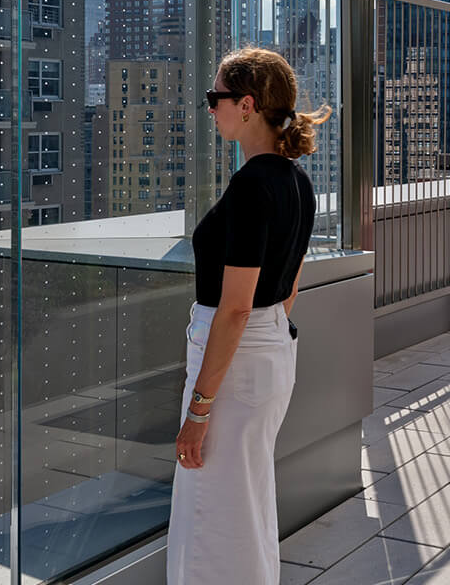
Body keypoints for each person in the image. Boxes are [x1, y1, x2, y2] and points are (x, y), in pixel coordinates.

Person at [167, 48, 331, 585]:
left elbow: (236, 307)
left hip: (236, 365)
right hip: (270, 352)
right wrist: (263, 340)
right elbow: (288, 287)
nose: (209, 108)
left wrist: (199, 409)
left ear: (247, 104)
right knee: (246, 501)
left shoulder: (250, 186)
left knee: (211, 511)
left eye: (215, 99)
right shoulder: (297, 181)